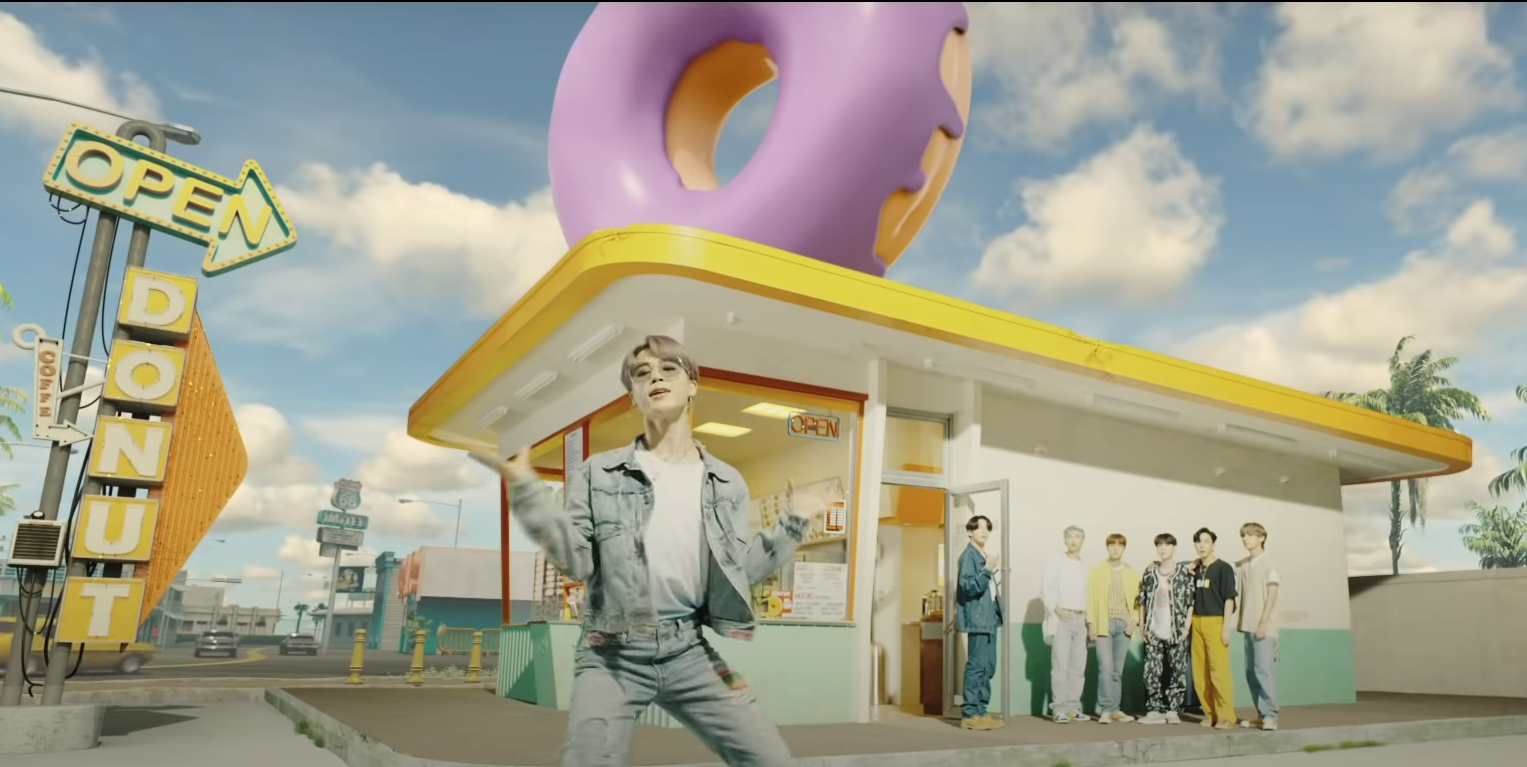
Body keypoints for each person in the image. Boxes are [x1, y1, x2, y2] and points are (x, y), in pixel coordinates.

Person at [469, 335, 822, 767]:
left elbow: (739, 570)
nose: (655, 376)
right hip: (610, 653)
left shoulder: (727, 483)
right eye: (642, 373)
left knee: (770, 760)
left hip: (689, 652)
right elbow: (576, 561)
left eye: (669, 368)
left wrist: (794, 521)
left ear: (692, 385)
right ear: (633, 396)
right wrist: (528, 493)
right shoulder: (599, 472)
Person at [1136, 533, 1194, 725]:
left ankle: (1173, 710)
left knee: (1178, 672)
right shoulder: (1150, 572)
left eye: (1167, 545)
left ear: (1173, 548)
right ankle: (1154, 710)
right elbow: (1142, 599)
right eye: (1159, 545)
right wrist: (1143, 625)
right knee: (1150, 672)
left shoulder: (1184, 572)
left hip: (1177, 630)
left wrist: (1186, 627)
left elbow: (1191, 601)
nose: (1163, 549)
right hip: (1153, 630)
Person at [955, 515, 1004, 731]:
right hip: (978, 619)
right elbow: (967, 586)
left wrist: (991, 568)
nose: (984, 531)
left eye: (987, 528)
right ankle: (970, 714)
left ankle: (981, 711)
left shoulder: (982, 555)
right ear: (969, 532)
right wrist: (987, 569)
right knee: (976, 667)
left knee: (988, 667)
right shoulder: (968, 556)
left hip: (988, 617)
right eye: (979, 528)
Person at [1188, 527, 1238, 729]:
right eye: (1198, 542)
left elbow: (1229, 599)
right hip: (1197, 621)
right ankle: (1211, 714)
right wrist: (1195, 563)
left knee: (1218, 671)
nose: (1202, 545)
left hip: (1216, 621)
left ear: (1213, 544)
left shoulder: (1224, 568)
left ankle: (1226, 716)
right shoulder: (1196, 569)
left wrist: (1226, 628)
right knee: (1200, 673)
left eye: (1206, 541)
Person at [1087, 533, 1140, 724]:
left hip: (1124, 625)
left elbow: (1138, 602)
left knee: (1117, 670)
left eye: (1119, 545)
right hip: (1104, 623)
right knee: (1106, 668)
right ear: (1107, 547)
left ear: (1124, 548)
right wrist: (1091, 623)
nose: (1116, 548)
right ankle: (1106, 709)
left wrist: (1133, 622)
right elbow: (1090, 598)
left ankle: (1116, 710)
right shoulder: (1097, 571)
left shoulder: (1132, 573)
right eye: (1112, 545)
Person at [1235, 522, 1282, 731]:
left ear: (1261, 537)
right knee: (1251, 672)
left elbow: (1272, 593)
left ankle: (1271, 715)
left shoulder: (1269, 562)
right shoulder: (1245, 563)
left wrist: (1263, 623)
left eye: (1250, 535)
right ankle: (1262, 715)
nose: (1246, 539)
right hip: (1248, 626)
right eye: (1243, 535)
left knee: (1264, 670)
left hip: (1264, 626)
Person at [1042, 526, 1089, 723]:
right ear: (1065, 540)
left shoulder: (1084, 566)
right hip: (1063, 618)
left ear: (1082, 541)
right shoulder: (1057, 562)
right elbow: (1047, 588)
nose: (1073, 540)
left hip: (1081, 619)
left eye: (1077, 537)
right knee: (1060, 665)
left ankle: (1072, 707)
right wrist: (1056, 609)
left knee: (1078, 666)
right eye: (1070, 537)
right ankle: (1059, 708)